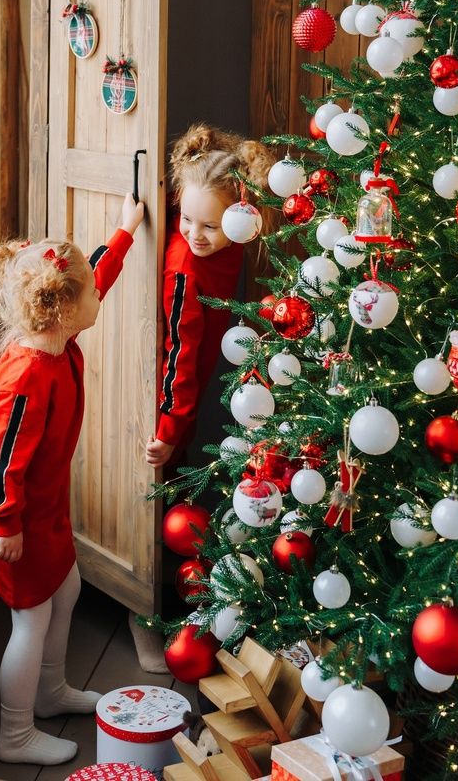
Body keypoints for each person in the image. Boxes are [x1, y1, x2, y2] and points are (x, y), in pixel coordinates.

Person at [0, 193, 145, 766]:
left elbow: (94, 272)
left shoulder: (57, 336)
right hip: (14, 516)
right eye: (91, 294)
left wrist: (123, 233)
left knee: (67, 587)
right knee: (32, 619)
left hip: (45, 508)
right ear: (64, 309)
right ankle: (15, 732)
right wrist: (6, 523)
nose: (99, 293)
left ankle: (49, 693)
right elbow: (1, 462)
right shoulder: (27, 375)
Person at [130, 123, 275, 672]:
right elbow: (177, 363)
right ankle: (143, 611)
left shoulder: (230, 243)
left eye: (210, 225)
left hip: (184, 398)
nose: (193, 232)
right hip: (164, 401)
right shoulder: (185, 270)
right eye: (185, 219)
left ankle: (171, 597)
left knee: (174, 492)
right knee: (155, 500)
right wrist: (168, 430)